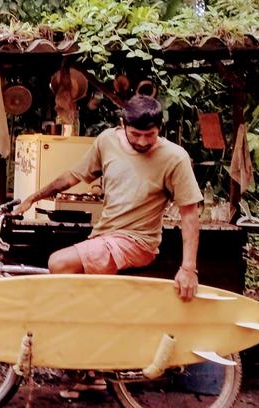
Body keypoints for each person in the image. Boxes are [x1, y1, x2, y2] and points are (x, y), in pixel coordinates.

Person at [14, 95, 203, 301]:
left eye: (150, 135)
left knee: (58, 263)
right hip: (103, 235)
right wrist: (33, 198)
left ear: (160, 128)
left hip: (138, 242)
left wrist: (188, 269)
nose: (142, 141)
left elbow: (189, 213)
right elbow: (73, 176)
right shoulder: (107, 140)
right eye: (136, 134)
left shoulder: (175, 157)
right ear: (123, 125)